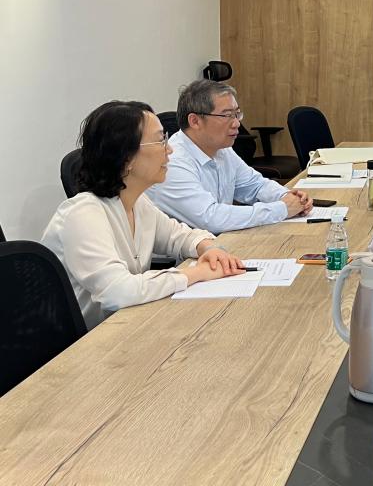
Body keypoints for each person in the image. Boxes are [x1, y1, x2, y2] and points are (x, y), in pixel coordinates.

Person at [42, 101, 245, 329]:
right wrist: (195, 273)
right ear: (126, 158)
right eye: (160, 141)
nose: (170, 149)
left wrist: (209, 248)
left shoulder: (138, 203)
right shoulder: (81, 215)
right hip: (89, 341)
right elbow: (118, 291)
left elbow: (179, 236)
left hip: (127, 324)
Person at [148, 80, 312, 234]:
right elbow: (211, 218)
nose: (236, 123)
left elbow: (255, 185)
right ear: (195, 121)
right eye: (227, 115)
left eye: (237, 114)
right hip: (188, 253)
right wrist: (282, 209)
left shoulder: (221, 149)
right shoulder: (172, 161)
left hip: (219, 242)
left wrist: (286, 196)